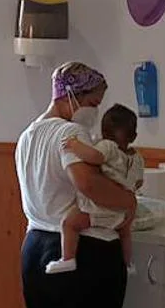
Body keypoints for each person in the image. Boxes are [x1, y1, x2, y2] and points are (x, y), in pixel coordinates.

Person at [15, 62, 135, 308]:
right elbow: (86, 183)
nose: (95, 112)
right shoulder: (71, 134)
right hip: (84, 254)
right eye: (92, 102)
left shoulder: (29, 134)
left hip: (36, 247)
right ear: (72, 96)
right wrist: (128, 203)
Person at [46, 104, 144, 275]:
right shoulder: (137, 158)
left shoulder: (108, 146)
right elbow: (139, 182)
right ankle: (129, 264)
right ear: (134, 136)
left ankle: (67, 259)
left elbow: (94, 157)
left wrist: (74, 145)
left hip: (101, 209)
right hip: (122, 213)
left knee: (69, 224)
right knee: (125, 233)